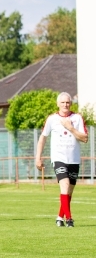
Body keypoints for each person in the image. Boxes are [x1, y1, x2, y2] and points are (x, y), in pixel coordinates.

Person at [35, 92, 88, 228]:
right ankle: (69, 219)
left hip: (74, 159)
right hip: (59, 158)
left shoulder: (77, 118)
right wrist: (38, 157)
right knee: (64, 185)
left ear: (71, 103)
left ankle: (60, 217)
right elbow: (43, 138)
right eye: (62, 102)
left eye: (67, 102)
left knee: (69, 190)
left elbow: (84, 138)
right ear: (58, 104)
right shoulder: (52, 119)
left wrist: (70, 127)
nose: (65, 105)